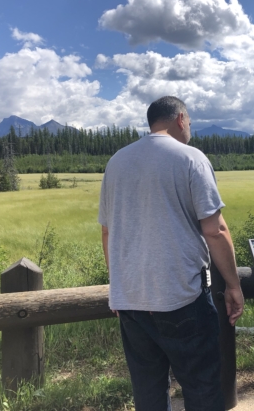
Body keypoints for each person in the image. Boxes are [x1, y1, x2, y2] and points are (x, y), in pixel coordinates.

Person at [98, 96, 244, 411]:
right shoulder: (191, 158)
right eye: (189, 121)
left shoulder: (117, 162)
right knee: (202, 387)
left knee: (148, 392)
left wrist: (118, 286)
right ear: (180, 119)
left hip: (131, 301)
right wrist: (233, 285)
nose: (189, 127)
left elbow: (107, 231)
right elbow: (215, 230)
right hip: (182, 297)